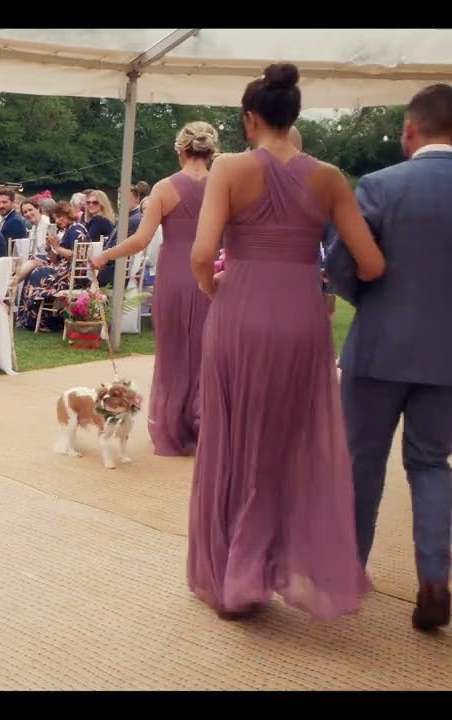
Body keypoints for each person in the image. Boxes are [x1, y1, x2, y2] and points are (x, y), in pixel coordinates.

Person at [186, 62, 386, 622]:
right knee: (283, 442)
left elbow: (202, 255)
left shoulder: (227, 168)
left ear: (251, 119)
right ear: (294, 116)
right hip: (301, 317)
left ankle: (236, 573)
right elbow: (369, 263)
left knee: (233, 438)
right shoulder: (328, 176)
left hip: (240, 311)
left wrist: (216, 288)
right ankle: (264, 565)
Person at [325, 82, 452, 632]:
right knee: (429, 464)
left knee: (361, 462)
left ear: (409, 130)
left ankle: (350, 570)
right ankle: (434, 577)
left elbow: (341, 262)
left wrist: (367, 304)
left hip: (377, 347)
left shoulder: (378, 185)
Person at [91, 121, 218, 456]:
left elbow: (141, 239)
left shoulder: (163, 188)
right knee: (210, 353)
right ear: (211, 151)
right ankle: (207, 425)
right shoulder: (223, 185)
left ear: (180, 150)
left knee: (174, 354)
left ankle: (174, 429)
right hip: (212, 275)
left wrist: (105, 254)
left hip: (175, 275)